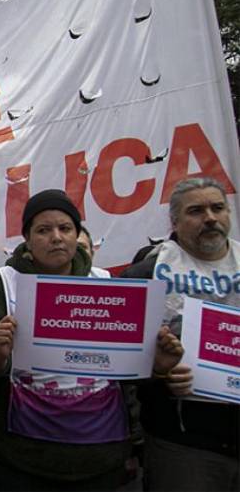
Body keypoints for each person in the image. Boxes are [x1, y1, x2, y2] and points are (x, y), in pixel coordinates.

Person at [0, 189, 182, 490]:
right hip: (19, 457)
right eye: (43, 230)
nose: (56, 237)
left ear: (77, 234)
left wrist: (157, 365)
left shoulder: (106, 282)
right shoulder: (4, 282)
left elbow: (132, 365)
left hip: (99, 456)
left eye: (65, 228)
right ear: (27, 239)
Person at [120, 177, 239, 491]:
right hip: (184, 444)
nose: (210, 218)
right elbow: (118, 365)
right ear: (174, 221)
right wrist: (159, 373)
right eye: (196, 211)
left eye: (217, 208)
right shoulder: (144, 276)